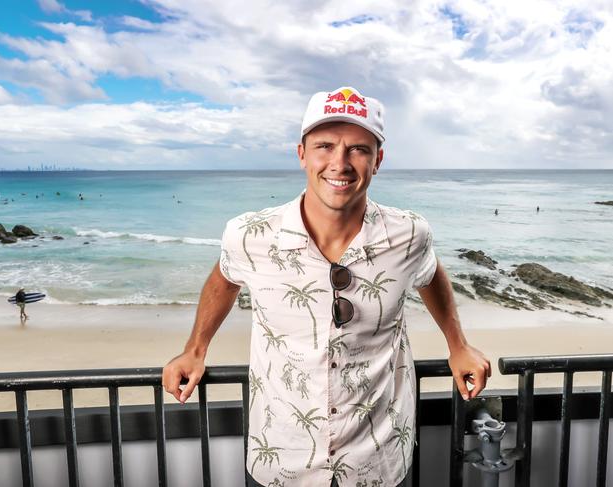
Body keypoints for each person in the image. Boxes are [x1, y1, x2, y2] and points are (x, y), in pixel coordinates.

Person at [162, 86, 491, 487]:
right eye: (324, 146)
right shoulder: (249, 235)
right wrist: (195, 350)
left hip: (379, 459)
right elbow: (224, 279)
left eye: (357, 149)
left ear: (378, 160)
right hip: (282, 455)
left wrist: (457, 344)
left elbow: (430, 273)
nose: (340, 163)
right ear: (301, 154)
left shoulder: (409, 234)